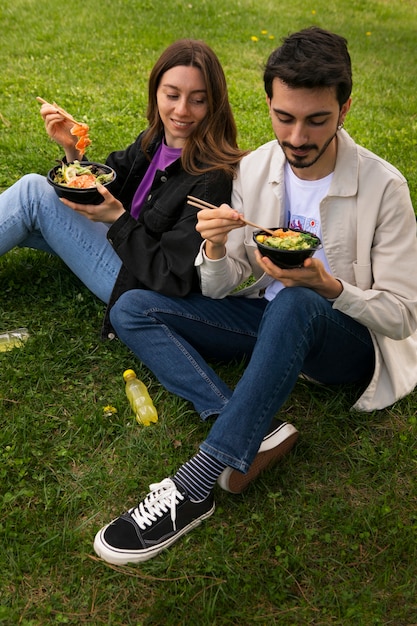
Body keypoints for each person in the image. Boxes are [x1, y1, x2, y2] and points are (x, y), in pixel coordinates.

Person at [93, 27, 417, 565]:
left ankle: (194, 486)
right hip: (267, 323)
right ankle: (254, 426)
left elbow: (402, 317)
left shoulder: (384, 187)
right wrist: (216, 250)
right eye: (283, 116)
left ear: (345, 108)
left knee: (296, 301)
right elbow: (226, 283)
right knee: (133, 307)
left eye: (317, 120)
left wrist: (328, 287)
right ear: (269, 102)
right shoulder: (256, 168)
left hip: (346, 344)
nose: (297, 137)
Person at [0, 39, 245, 336]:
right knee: (34, 202)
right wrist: (73, 151)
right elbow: (106, 189)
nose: (181, 110)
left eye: (197, 100)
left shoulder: (210, 178)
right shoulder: (154, 139)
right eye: (172, 95)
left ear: (213, 104)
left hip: (135, 282)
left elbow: (173, 277)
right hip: (121, 248)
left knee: (31, 195)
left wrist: (117, 220)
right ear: (155, 93)